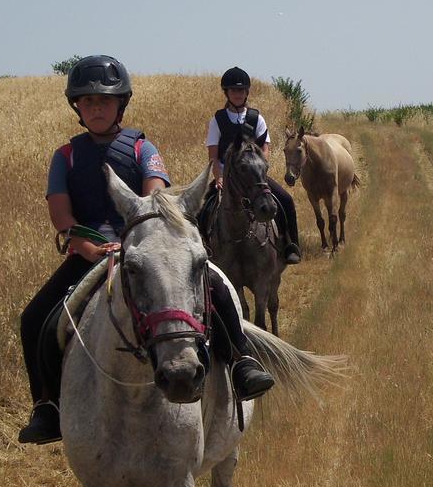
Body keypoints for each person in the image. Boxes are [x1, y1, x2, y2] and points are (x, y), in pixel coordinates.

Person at [18, 55, 273, 445]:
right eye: (87, 102)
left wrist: (140, 238)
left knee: (216, 289)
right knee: (36, 319)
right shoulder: (65, 156)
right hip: (88, 256)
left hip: (142, 247)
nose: (96, 108)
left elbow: (156, 195)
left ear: (121, 103)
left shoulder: (141, 148)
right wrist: (89, 249)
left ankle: (240, 362)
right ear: (77, 108)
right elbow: (62, 217)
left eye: (104, 100)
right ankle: (47, 406)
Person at [204, 66, 302, 264]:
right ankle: (203, 250)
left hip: (255, 176)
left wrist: (260, 169)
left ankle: (291, 245)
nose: (238, 94)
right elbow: (213, 156)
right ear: (227, 93)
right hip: (228, 176)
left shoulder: (256, 118)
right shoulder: (218, 120)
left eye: (241, 91)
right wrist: (219, 176)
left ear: (247, 92)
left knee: (286, 200)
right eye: (234, 91)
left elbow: (265, 149)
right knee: (201, 207)